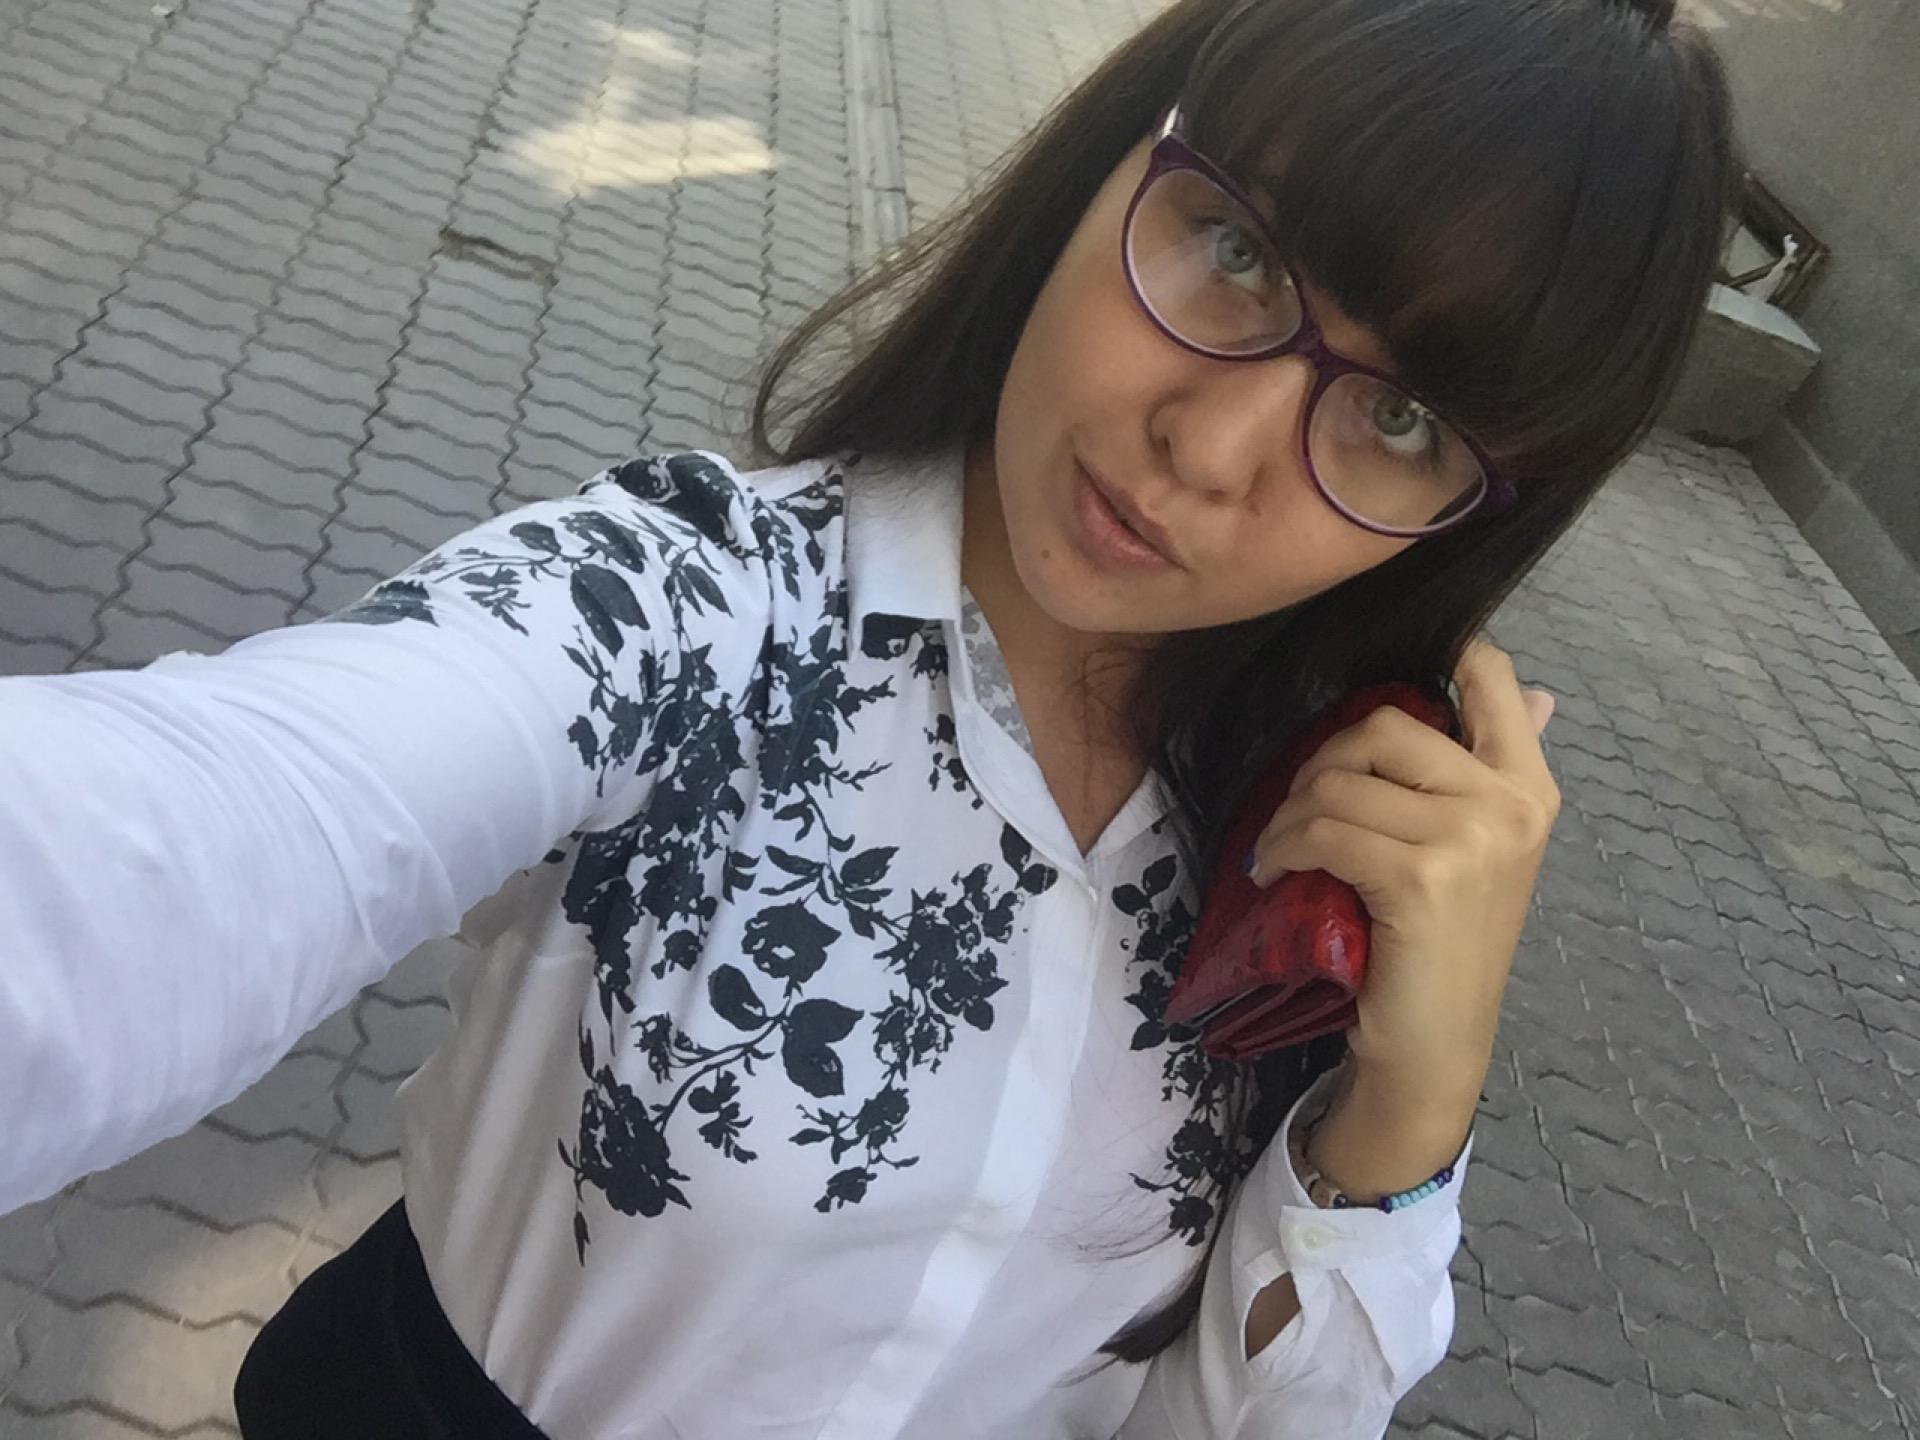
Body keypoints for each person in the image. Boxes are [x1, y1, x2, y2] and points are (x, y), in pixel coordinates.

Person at [0, 0, 1732, 1433]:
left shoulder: (1306, 854)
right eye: (1236, 250)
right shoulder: (688, 608)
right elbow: (218, 831)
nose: (1209, 452)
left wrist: (1412, 1104)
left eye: (1404, 421)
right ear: (1116, 153)